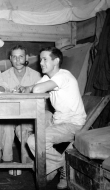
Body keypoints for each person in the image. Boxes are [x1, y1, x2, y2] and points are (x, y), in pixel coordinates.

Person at [19, 47, 86, 189]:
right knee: (23, 127)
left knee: (33, 140)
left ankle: (59, 163)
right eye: (40, 59)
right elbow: (31, 87)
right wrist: (27, 87)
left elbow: (36, 89)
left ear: (56, 61)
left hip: (72, 124)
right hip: (58, 119)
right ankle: (56, 163)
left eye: (45, 59)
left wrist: (31, 87)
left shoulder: (63, 75)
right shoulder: (49, 77)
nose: (41, 63)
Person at [0, 45, 41, 166]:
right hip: (9, 113)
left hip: (29, 114)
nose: (18, 60)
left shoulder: (36, 76)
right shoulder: (3, 76)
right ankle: (7, 161)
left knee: (24, 129)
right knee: (6, 125)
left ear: (26, 57)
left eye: (21, 56)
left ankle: (29, 162)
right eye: (15, 57)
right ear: (10, 59)